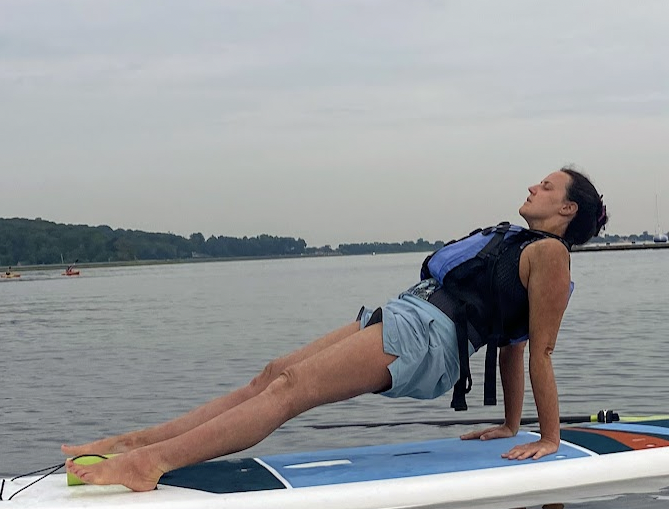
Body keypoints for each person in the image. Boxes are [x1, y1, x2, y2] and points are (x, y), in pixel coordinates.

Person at [63, 168, 608, 492]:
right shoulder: (515, 242)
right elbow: (508, 350)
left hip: (429, 339)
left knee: (288, 391)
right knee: (274, 373)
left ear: (567, 207)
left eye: (548, 184)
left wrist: (549, 437)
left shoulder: (551, 256)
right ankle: (131, 443)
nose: (532, 185)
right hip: (406, 314)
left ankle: (147, 465)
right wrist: (510, 425)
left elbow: (535, 353)